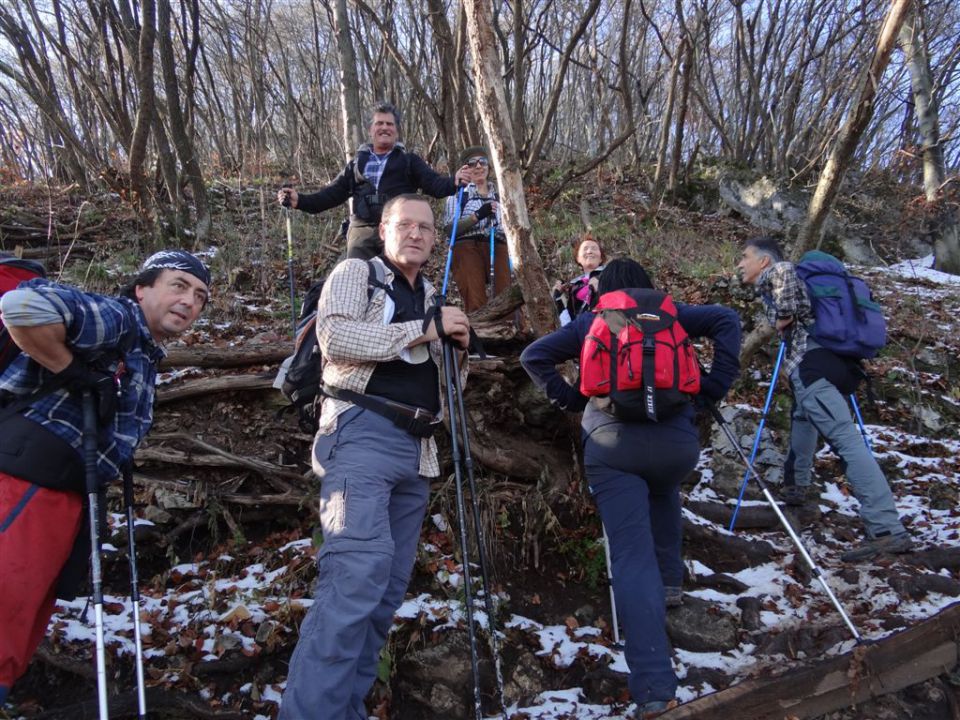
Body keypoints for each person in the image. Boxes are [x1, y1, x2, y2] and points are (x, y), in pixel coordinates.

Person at [521, 258, 741, 719]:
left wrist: (572, 398)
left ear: (607, 291)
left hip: (612, 443)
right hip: (677, 442)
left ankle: (655, 689)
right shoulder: (672, 314)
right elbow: (727, 319)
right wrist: (712, 387)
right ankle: (671, 584)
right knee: (662, 490)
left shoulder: (593, 320)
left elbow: (533, 355)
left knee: (630, 556)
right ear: (648, 286)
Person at [279, 194, 470, 720]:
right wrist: (424, 329)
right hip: (360, 432)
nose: (416, 234)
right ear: (383, 229)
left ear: (435, 238)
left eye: (426, 228)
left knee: (383, 595)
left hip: (418, 450)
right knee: (354, 583)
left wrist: (458, 347)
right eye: (405, 224)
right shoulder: (355, 271)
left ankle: (344, 709)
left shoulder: (432, 292)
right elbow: (335, 335)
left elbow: (450, 384)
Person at [0, 250, 211, 705]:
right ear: (142, 288)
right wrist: (73, 372)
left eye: (199, 296)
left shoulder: (143, 352)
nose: (189, 301)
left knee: (19, 627)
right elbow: (22, 308)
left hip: (59, 493)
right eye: (178, 285)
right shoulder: (118, 318)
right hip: (24, 485)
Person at [737, 236, 913, 562]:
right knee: (804, 416)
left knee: (846, 441)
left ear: (763, 260)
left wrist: (781, 319)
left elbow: (787, 291)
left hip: (813, 367)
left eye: (745, 256)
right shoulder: (812, 283)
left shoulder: (780, 271)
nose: (740, 263)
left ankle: (887, 528)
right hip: (837, 365)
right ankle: (796, 487)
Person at [277, 102, 471, 260]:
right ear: (371, 130)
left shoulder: (409, 161)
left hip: (397, 229)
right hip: (362, 229)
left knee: (399, 281)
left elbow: (434, 184)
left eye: (389, 124)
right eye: (379, 124)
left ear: (396, 131)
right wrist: (299, 200)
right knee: (355, 276)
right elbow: (331, 195)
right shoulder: (356, 164)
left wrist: (453, 181)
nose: (384, 128)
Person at [442, 145, 510, 312]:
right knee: (475, 297)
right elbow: (450, 230)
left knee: (506, 297)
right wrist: (477, 216)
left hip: (498, 244)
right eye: (472, 163)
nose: (479, 166)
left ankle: (514, 332)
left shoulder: (502, 193)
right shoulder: (458, 194)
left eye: (483, 162)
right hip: (467, 246)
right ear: (465, 169)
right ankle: (479, 333)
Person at [553, 236, 606, 325]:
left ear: (601, 258)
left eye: (594, 248)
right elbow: (568, 321)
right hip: (583, 332)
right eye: (585, 249)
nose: (589, 251)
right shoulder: (575, 285)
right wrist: (557, 298)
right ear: (578, 258)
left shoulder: (612, 273)